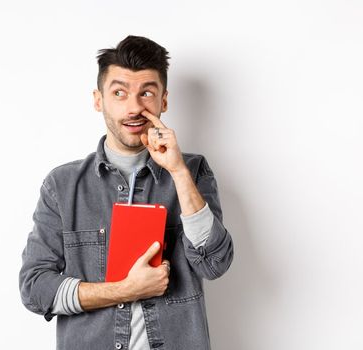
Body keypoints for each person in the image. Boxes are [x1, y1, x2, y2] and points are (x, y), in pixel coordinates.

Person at [18, 35, 234, 350]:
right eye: (119, 93)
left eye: (146, 92)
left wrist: (177, 171)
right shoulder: (62, 186)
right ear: (98, 100)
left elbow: (214, 263)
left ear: (163, 101)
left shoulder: (192, 171)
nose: (134, 108)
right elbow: (35, 289)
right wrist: (125, 290)